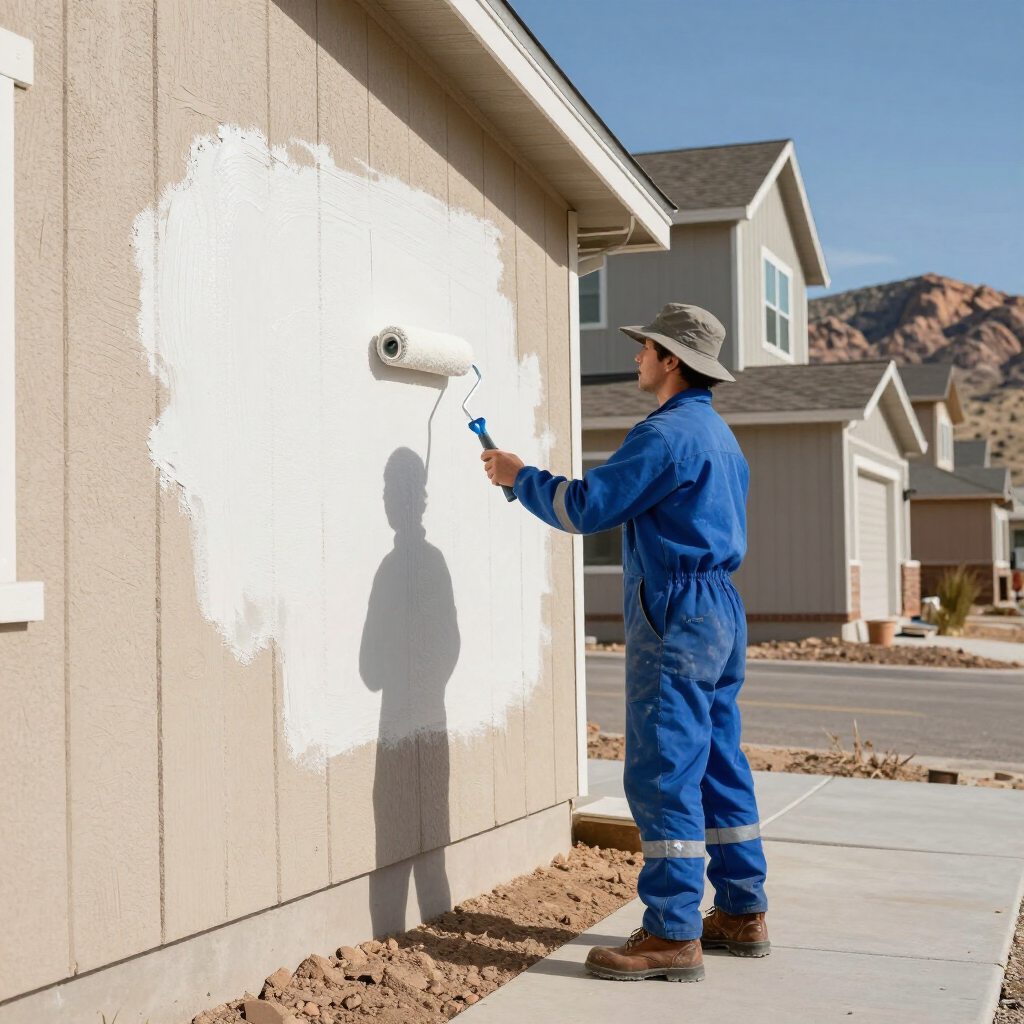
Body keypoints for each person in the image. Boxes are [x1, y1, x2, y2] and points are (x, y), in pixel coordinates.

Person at [481, 303, 768, 984]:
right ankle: (740, 912)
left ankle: (671, 934)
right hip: (722, 610)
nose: (637, 356)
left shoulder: (666, 435)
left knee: (664, 768)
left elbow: (587, 507)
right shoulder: (721, 436)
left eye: (645, 348)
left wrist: (519, 477)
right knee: (719, 763)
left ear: (672, 361)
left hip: (678, 610)